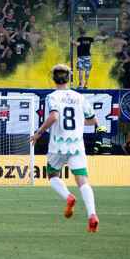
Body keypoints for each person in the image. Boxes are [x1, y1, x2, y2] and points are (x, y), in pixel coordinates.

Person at [28, 64, 100, 232]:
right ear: (69, 78)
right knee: (82, 180)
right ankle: (92, 214)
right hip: (76, 145)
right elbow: (93, 121)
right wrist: (80, 121)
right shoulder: (80, 97)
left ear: (53, 79)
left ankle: (68, 197)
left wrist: (38, 133)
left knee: (53, 174)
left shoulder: (52, 97)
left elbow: (54, 116)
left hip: (58, 145)